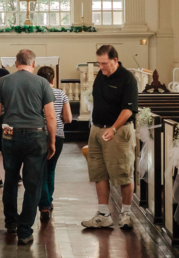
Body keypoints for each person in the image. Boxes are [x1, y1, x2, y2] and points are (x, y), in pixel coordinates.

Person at [0, 49, 57, 246]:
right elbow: (50, 116)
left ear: (16, 63)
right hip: (36, 135)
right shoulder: (42, 83)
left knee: (10, 179)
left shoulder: (4, 81)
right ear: (33, 64)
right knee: (33, 184)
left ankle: (11, 222)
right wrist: (51, 141)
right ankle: (25, 231)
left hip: (10, 135)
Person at [82, 45, 138, 230]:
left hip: (118, 131)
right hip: (97, 129)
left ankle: (126, 214)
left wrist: (114, 128)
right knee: (99, 172)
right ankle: (103, 214)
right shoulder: (101, 75)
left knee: (123, 173)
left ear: (115, 60)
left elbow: (128, 109)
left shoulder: (127, 78)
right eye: (99, 63)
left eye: (104, 63)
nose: (101, 67)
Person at [36, 65, 72, 223]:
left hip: (38, 134)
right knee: (50, 170)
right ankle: (48, 201)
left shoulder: (37, 93)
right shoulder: (61, 93)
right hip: (57, 135)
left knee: (41, 171)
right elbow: (69, 118)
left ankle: (44, 205)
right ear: (53, 79)